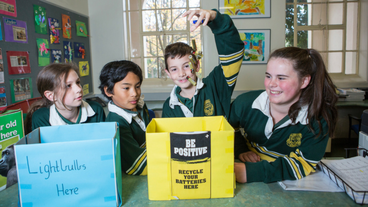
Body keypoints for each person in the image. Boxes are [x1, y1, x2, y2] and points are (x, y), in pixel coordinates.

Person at [229, 47, 338, 183]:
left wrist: (250, 172)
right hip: (244, 165)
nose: (271, 84)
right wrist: (241, 149)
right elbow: (227, 128)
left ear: (304, 81)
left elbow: (302, 164)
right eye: (268, 76)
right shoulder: (245, 103)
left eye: (281, 78)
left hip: (285, 182)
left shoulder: (317, 118)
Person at [162, 9, 244, 118]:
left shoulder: (216, 84)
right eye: (174, 69)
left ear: (197, 65)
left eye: (186, 66)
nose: (181, 73)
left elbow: (234, 51)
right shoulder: (169, 106)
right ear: (168, 73)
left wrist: (216, 20)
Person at [99, 60, 150, 176]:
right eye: (126, 88)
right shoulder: (116, 124)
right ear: (108, 91)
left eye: (137, 86)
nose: (134, 93)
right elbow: (138, 167)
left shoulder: (140, 105)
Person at [25, 63, 105, 134]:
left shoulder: (96, 109)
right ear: (51, 96)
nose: (79, 89)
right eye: (68, 86)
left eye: (77, 82)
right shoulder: (41, 118)